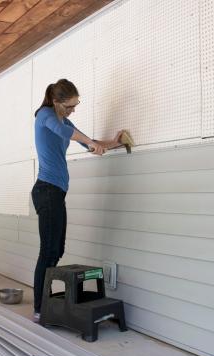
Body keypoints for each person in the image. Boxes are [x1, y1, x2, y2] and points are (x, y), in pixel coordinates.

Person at [31, 79, 128, 322]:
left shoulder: (66, 121)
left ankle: (45, 303)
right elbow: (67, 133)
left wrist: (115, 142)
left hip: (56, 192)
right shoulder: (44, 115)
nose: (73, 110)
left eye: (76, 105)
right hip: (47, 190)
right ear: (56, 102)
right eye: (70, 106)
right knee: (48, 251)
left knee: (57, 249)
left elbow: (85, 141)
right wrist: (91, 143)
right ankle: (40, 308)